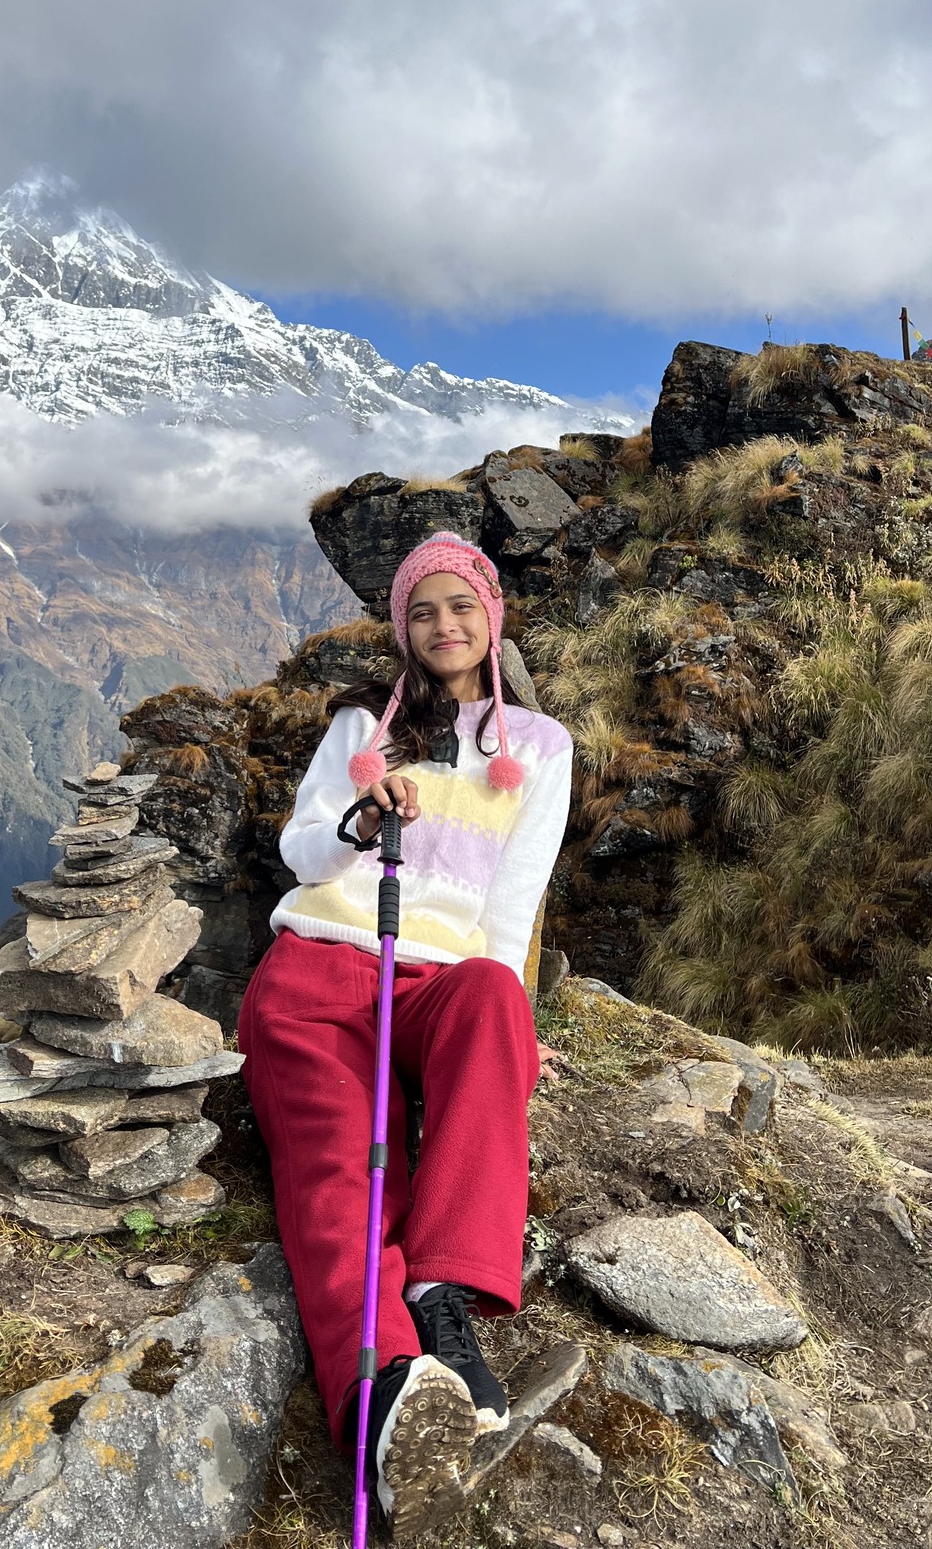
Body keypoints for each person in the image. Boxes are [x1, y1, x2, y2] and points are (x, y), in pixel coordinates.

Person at [239, 531, 573, 1535]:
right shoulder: (357, 727)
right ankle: (387, 1394)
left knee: (490, 995)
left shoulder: (540, 749)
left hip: (432, 983)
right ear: (402, 625)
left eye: (460, 606)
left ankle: (441, 1288)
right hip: (316, 972)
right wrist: (354, 815)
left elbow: (511, 912)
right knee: (338, 1175)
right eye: (422, 610)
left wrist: (510, 1028)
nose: (443, 625)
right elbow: (299, 851)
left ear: (492, 614)